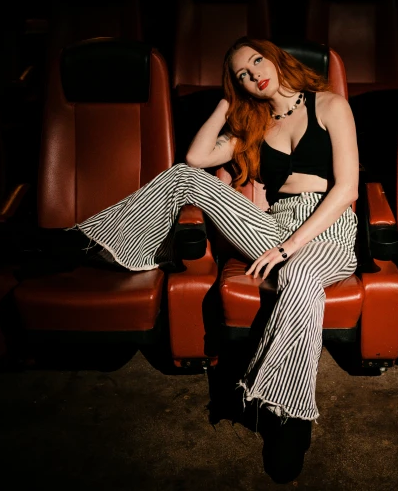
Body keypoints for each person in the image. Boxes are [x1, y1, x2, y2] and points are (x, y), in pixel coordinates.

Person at [70, 36, 359, 482]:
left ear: (276, 58)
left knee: (299, 273)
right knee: (185, 177)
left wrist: (288, 247)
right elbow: (197, 157)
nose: (254, 74)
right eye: (242, 74)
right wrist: (229, 103)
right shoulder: (255, 124)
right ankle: (101, 245)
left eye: (257, 61)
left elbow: (347, 190)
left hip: (324, 227)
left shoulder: (331, 105)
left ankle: (290, 417)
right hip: (273, 224)